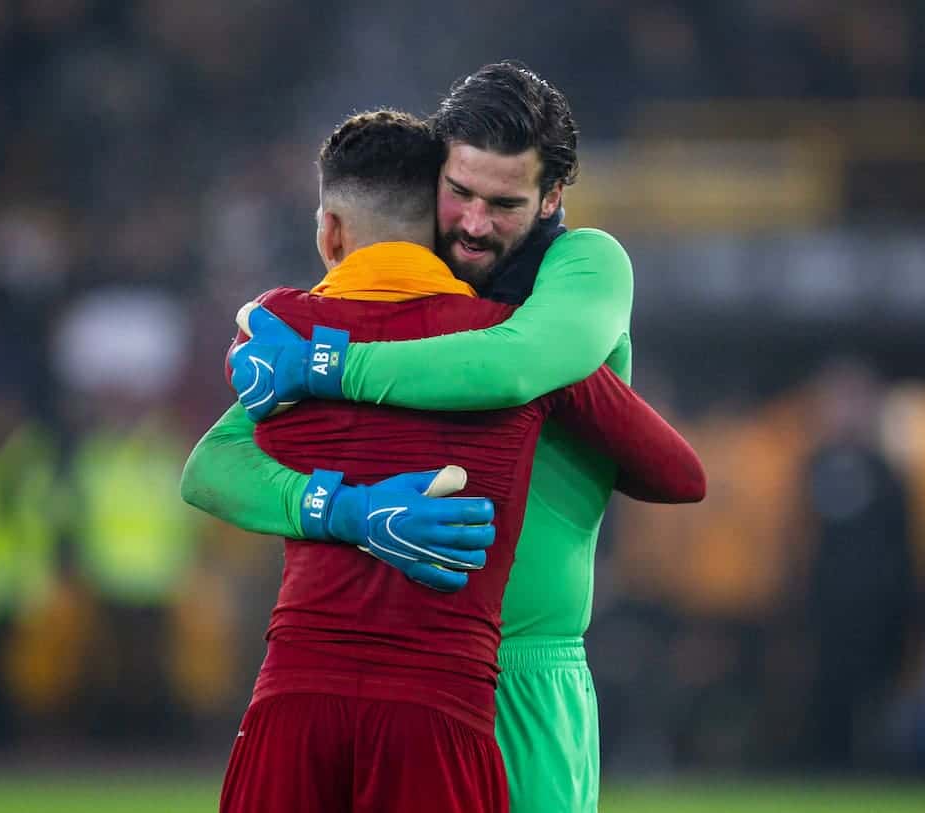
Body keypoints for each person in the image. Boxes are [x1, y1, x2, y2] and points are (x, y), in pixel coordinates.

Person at [183, 62, 659, 812]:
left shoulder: (585, 264)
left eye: (504, 204)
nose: (473, 223)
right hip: (404, 675)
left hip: (529, 677)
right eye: (460, 192)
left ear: (552, 198)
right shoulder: (408, 287)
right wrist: (339, 507)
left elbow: (516, 364)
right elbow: (215, 462)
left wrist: (324, 359)